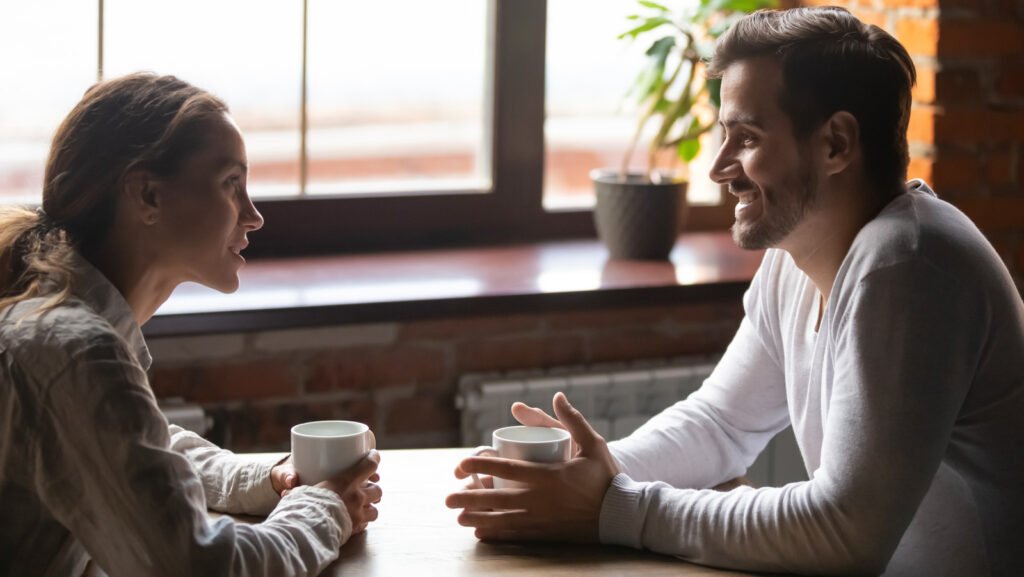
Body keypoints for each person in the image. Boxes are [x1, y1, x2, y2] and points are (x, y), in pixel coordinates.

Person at [446, 7, 1024, 576]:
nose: (720, 166)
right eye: (725, 135)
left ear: (836, 145)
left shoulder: (908, 264)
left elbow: (846, 531)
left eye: (745, 137)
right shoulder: (796, 257)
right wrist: (584, 473)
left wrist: (609, 506)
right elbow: (721, 423)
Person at [0, 73, 382, 577]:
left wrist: (271, 480)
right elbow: (198, 566)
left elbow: (128, 450)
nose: (253, 216)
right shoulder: (74, 350)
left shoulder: (57, 323)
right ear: (147, 196)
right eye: (231, 184)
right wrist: (324, 508)